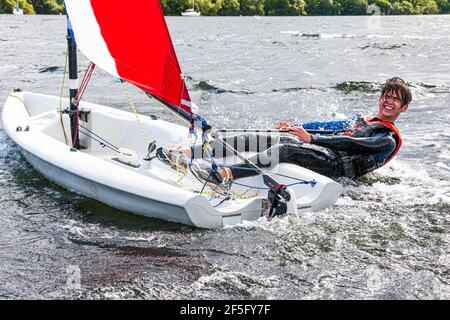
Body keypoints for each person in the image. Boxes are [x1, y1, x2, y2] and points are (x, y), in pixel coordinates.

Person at [158, 77, 411, 187]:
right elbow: (330, 126)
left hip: (336, 166)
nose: (388, 102)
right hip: (323, 149)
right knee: (263, 137)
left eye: (395, 100)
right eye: (385, 97)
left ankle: (225, 174)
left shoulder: (386, 139)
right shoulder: (364, 119)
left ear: (403, 107)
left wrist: (312, 139)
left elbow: (351, 145)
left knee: (284, 150)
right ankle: (190, 151)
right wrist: (297, 127)